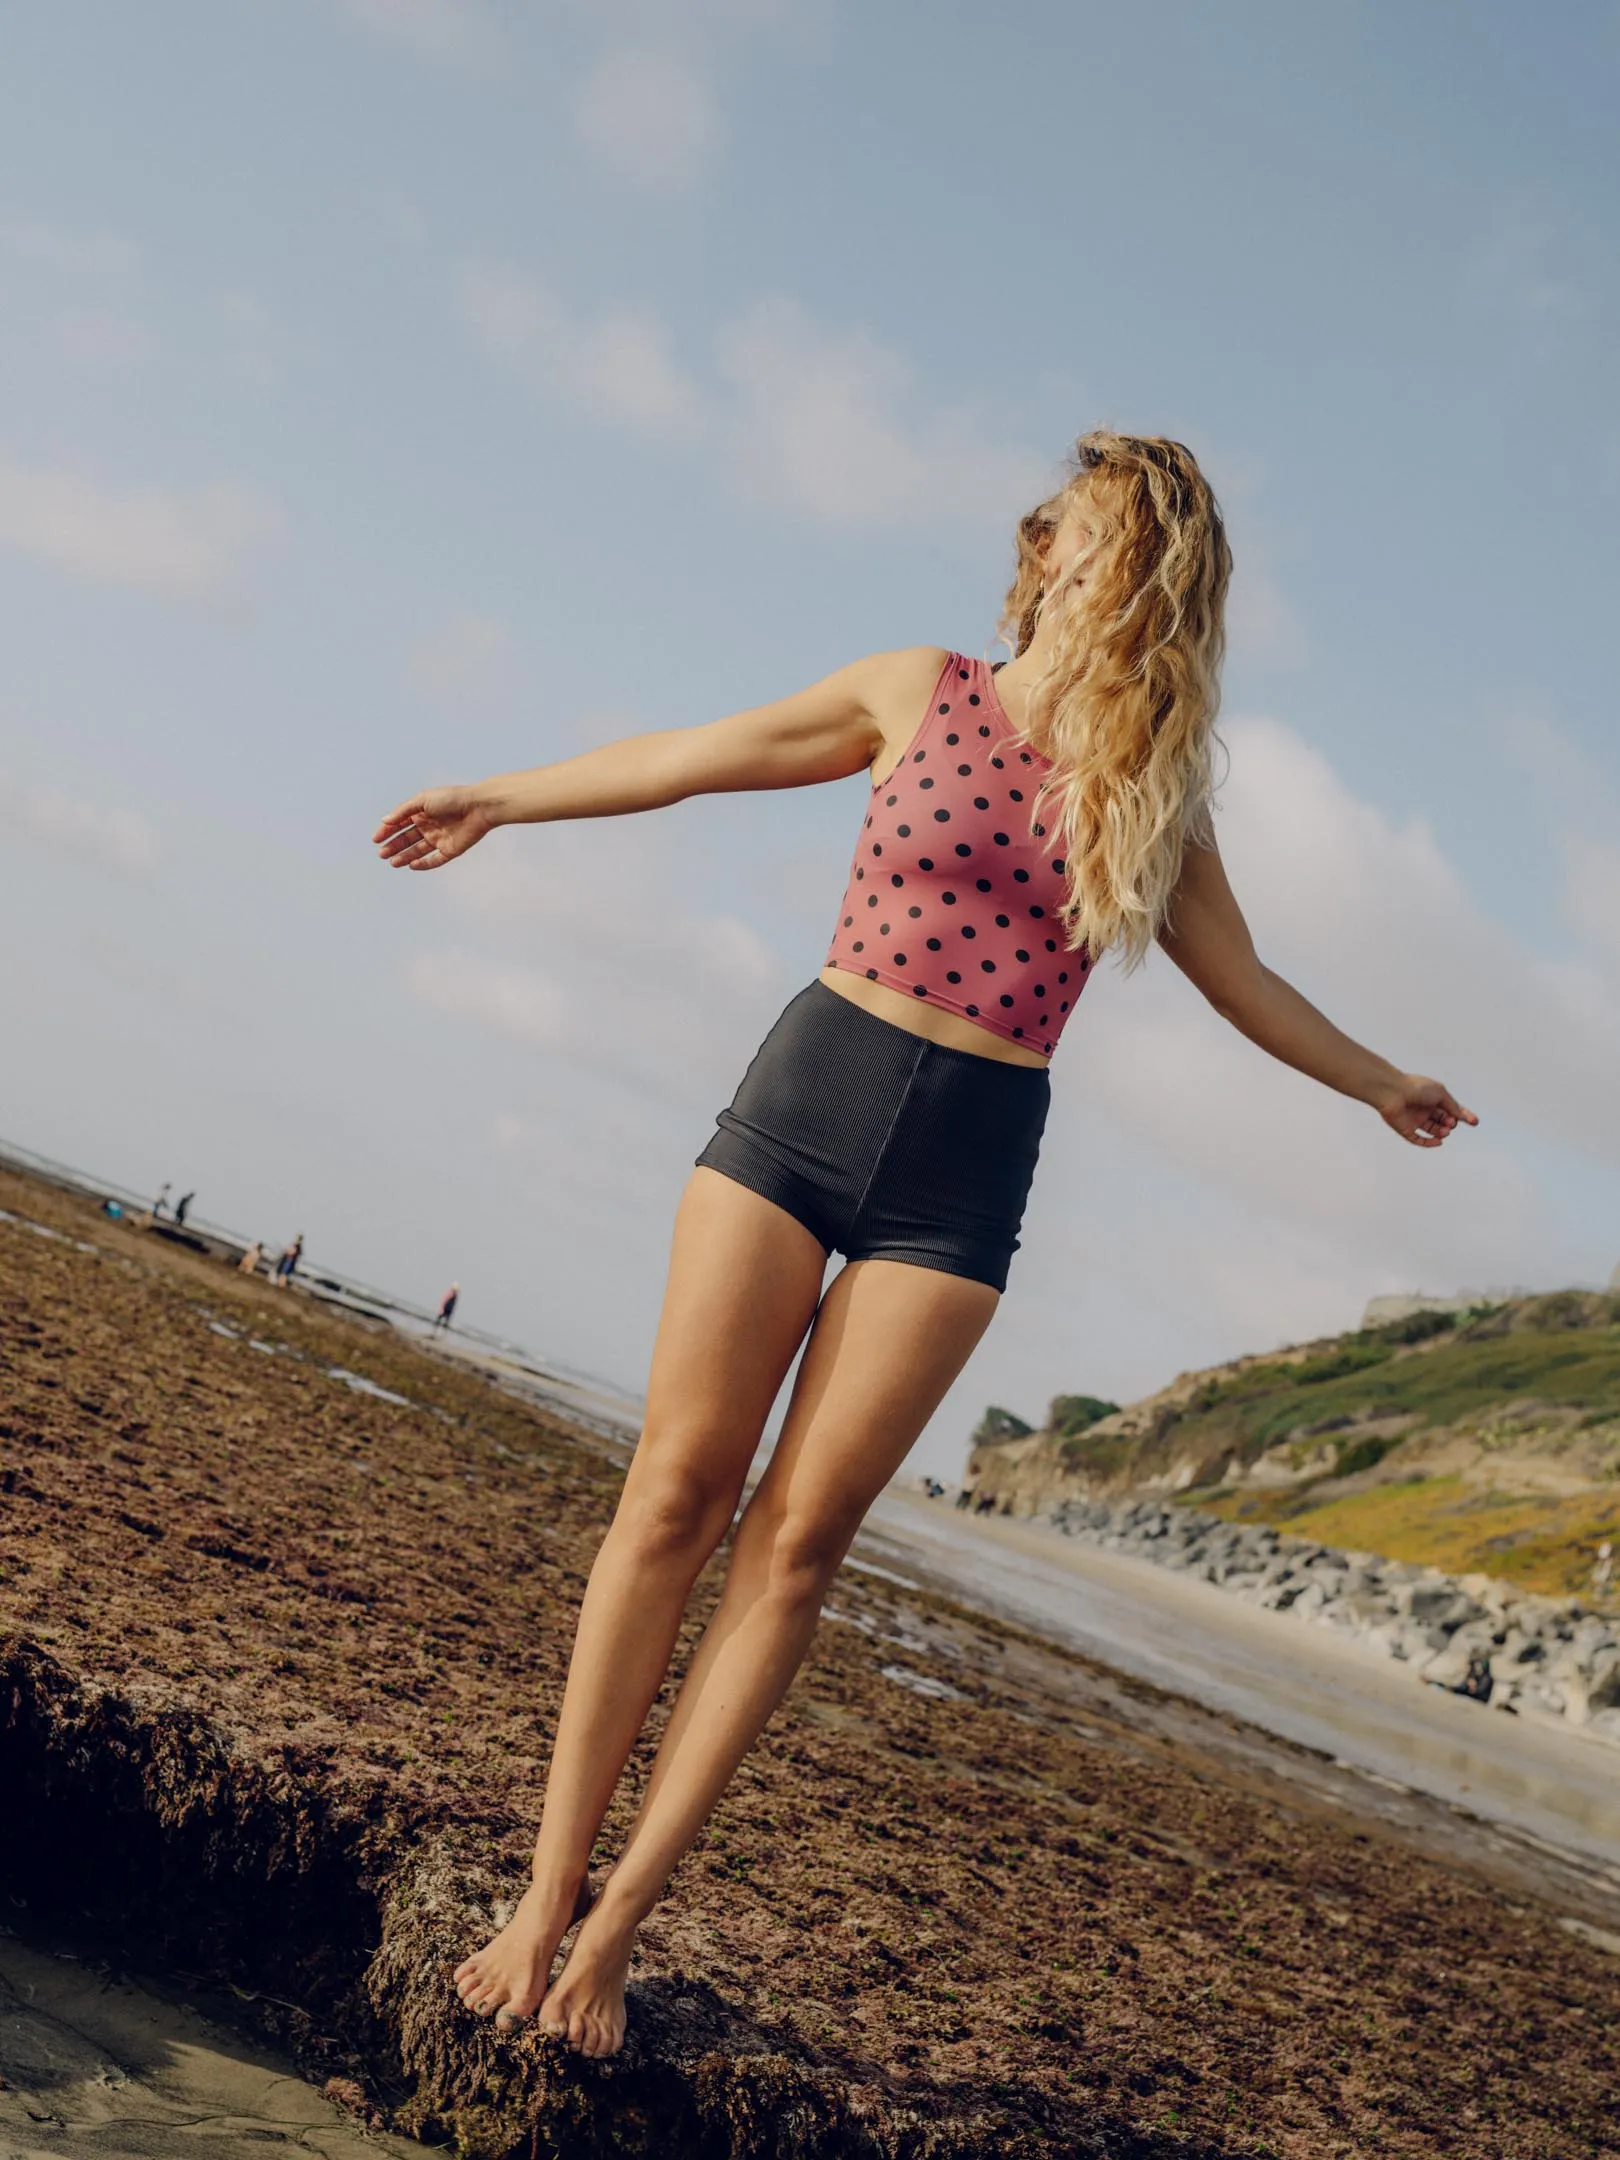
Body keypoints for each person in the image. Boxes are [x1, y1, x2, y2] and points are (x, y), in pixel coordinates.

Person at [372, 429, 1477, 2058]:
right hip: (806, 1098)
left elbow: (1243, 978)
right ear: (1044, 556)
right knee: (676, 1492)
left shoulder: (1149, 791)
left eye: (1127, 552)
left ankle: (613, 1931)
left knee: (799, 1548)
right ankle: (541, 1895)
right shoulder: (919, 689)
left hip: (964, 1172)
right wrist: (503, 797)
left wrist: (1377, 1077)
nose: (1094, 567)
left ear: (1162, 592)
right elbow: (699, 753)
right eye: (1081, 537)